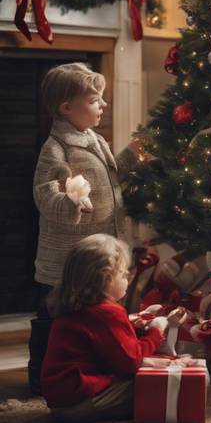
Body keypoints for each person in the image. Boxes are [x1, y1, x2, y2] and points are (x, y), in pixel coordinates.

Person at [28, 62, 145, 394]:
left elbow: (109, 175)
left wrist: (130, 157)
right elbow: (45, 194)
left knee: (90, 319)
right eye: (95, 100)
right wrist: (71, 203)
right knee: (53, 316)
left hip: (100, 248)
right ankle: (40, 374)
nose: (103, 106)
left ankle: (89, 368)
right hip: (67, 259)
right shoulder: (56, 149)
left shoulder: (95, 140)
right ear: (66, 107)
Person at [41, 234, 167, 423]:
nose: (127, 279)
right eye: (123, 274)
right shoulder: (107, 313)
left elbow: (101, 343)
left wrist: (130, 324)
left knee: (145, 370)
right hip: (82, 402)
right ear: (105, 278)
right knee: (156, 384)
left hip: (61, 401)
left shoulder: (76, 306)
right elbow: (131, 361)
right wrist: (156, 331)